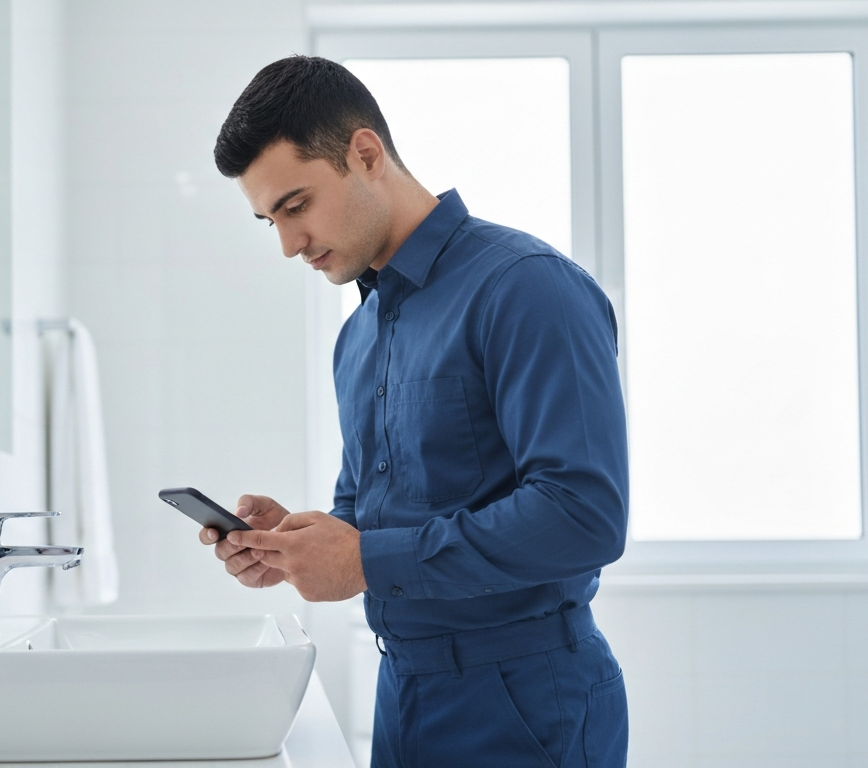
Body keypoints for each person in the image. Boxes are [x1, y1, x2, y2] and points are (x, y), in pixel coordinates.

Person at [201, 55, 630, 767]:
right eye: (268, 219)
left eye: (297, 205)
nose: (287, 245)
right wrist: (299, 545)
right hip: (402, 692)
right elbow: (366, 519)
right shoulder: (357, 337)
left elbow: (583, 515)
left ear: (364, 154)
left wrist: (366, 558)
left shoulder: (526, 289)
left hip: (527, 702)